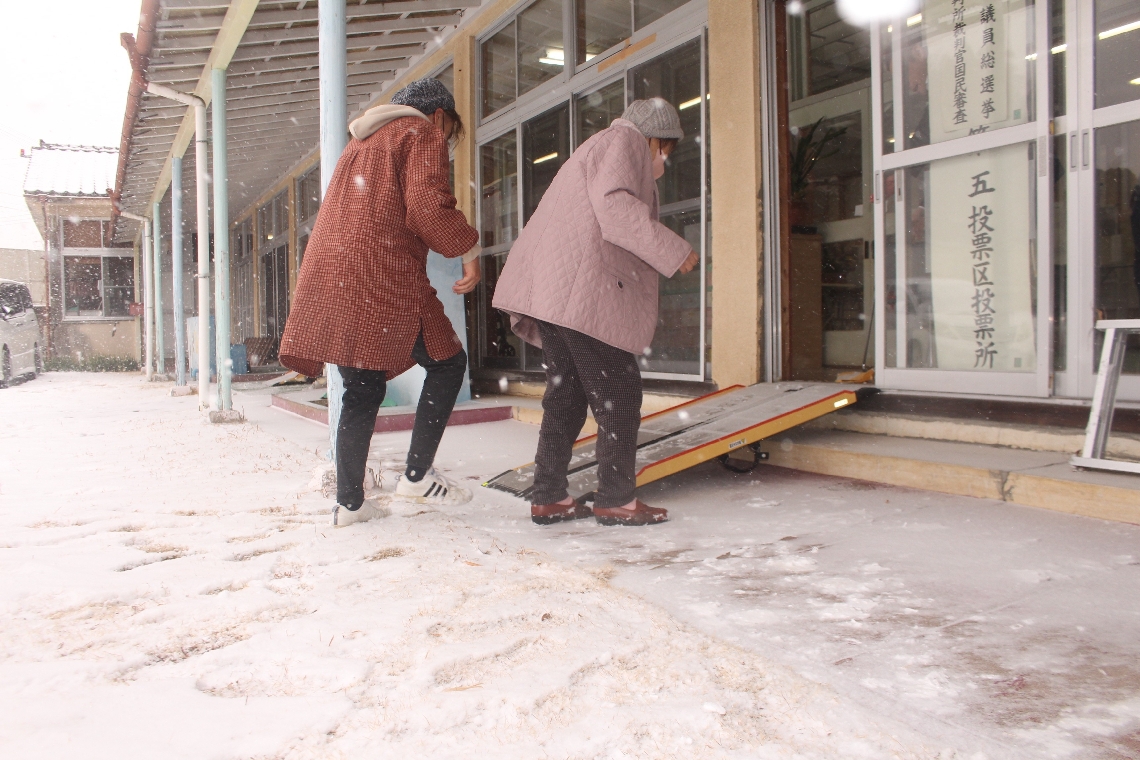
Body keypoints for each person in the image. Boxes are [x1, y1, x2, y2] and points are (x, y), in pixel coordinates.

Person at [279, 78, 481, 527]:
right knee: (448, 364)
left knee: (362, 387)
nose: (445, 143)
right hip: (384, 277)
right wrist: (468, 248)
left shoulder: (359, 144)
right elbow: (427, 209)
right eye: (449, 134)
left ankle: (350, 504)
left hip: (332, 276)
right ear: (441, 116)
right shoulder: (420, 132)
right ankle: (416, 477)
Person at [492, 98, 699, 527]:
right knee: (619, 393)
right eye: (665, 148)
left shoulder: (594, 148)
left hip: (555, 292)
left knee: (566, 398)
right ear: (654, 137)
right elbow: (616, 209)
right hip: (581, 293)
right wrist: (672, 251)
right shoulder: (624, 139)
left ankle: (549, 495)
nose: (664, 159)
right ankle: (616, 499)